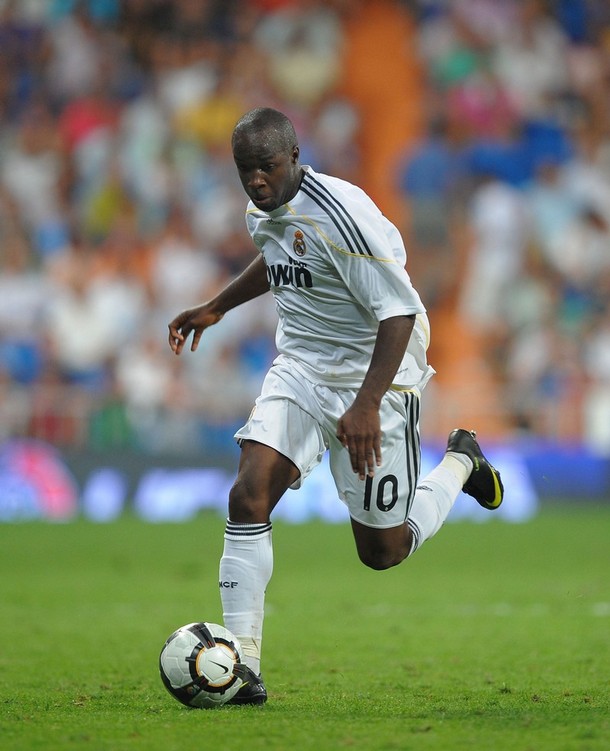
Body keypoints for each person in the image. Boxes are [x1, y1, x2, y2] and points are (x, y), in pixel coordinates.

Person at [167, 107, 504, 705]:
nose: (255, 181)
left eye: (266, 167)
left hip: (376, 376)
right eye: (245, 170)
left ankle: (461, 462)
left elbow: (399, 312)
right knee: (247, 494)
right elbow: (281, 256)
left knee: (383, 551)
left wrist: (367, 405)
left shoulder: (344, 217)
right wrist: (218, 305)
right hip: (301, 367)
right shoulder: (263, 208)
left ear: (294, 157)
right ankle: (243, 667)